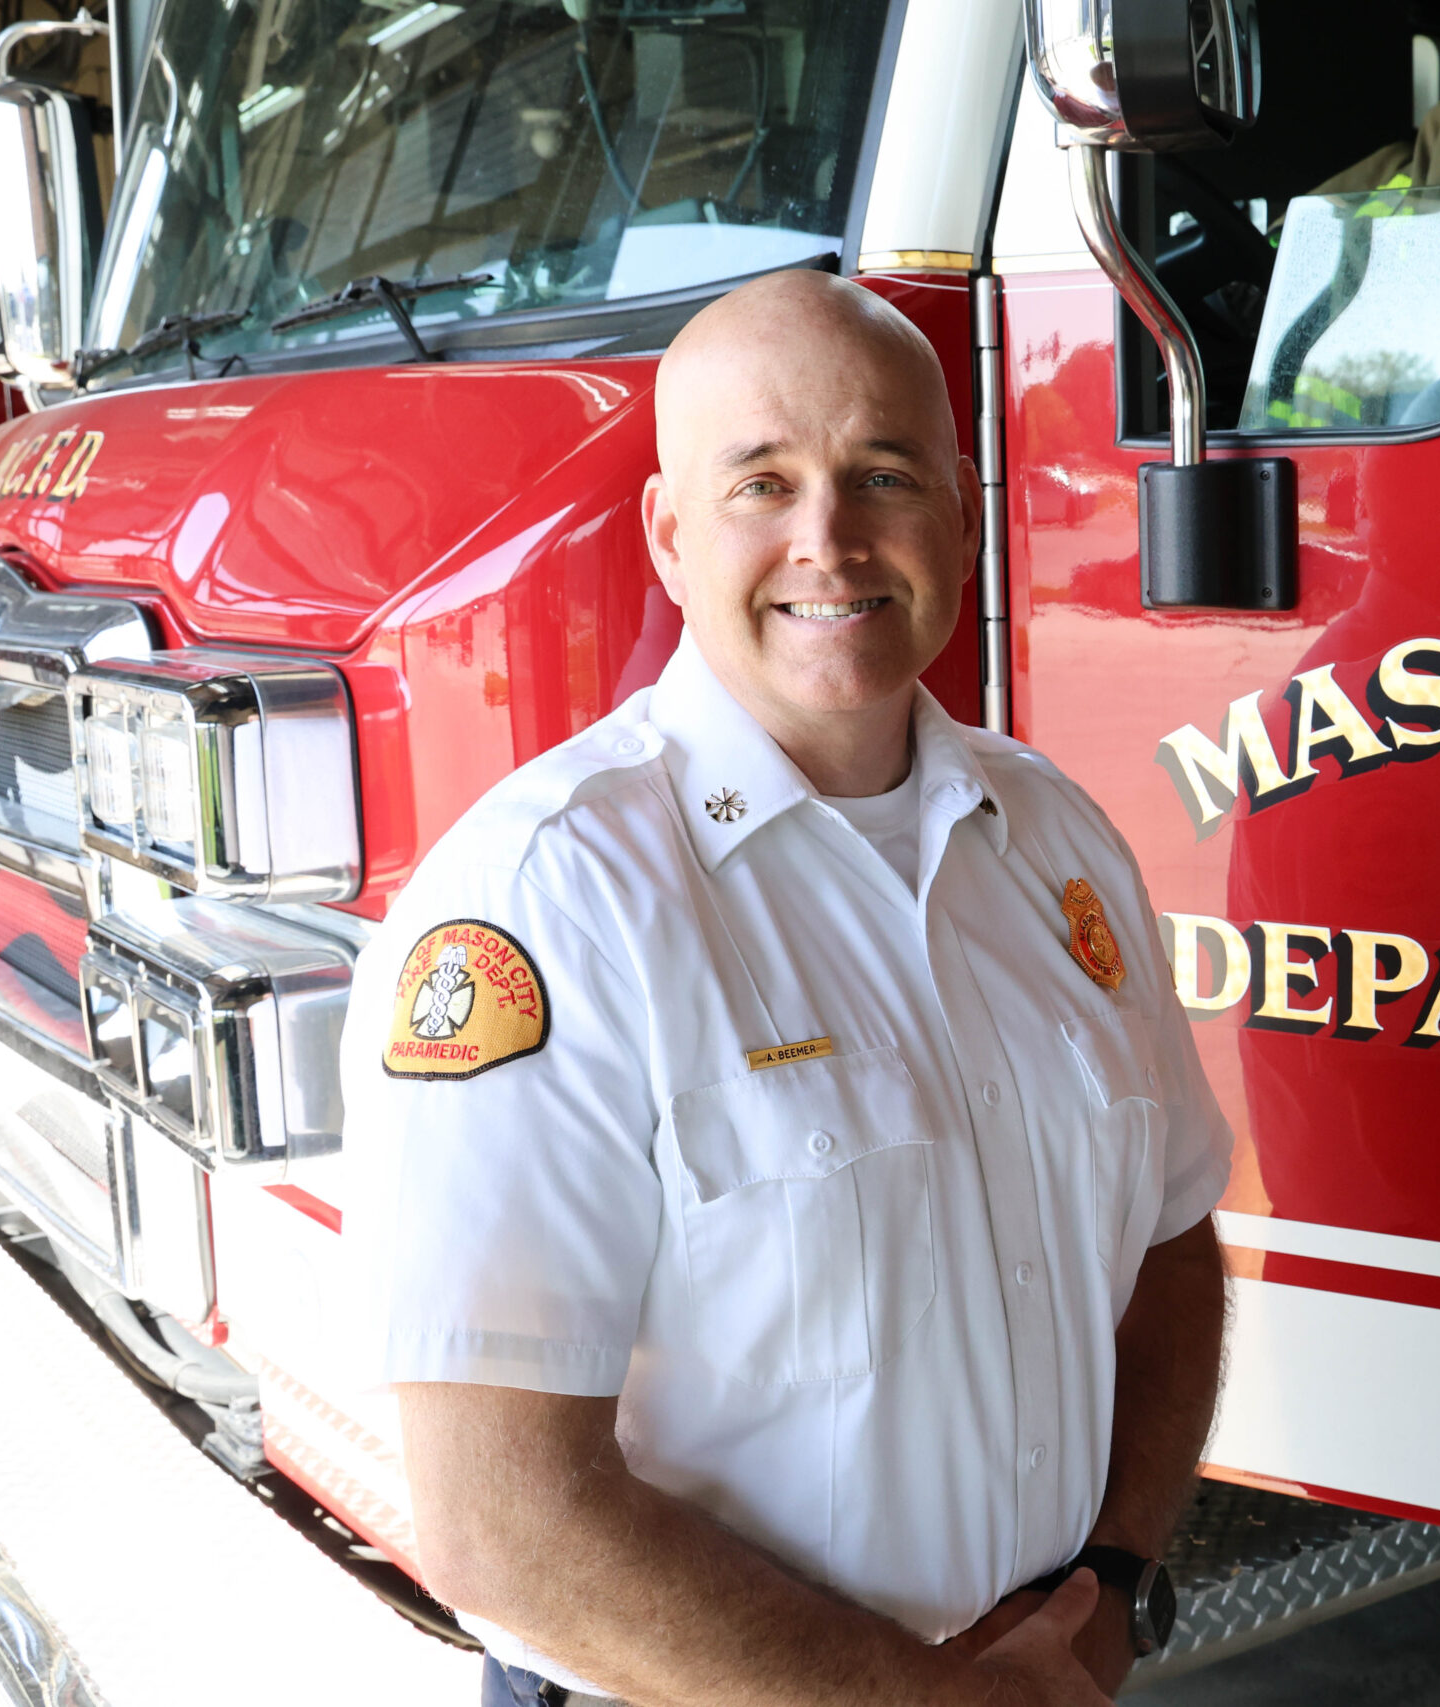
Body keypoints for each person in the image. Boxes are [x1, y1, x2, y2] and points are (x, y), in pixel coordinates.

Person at [340, 270, 1234, 1706]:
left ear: (962, 510)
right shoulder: (549, 902)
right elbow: (502, 1522)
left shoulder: (1055, 838)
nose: (830, 538)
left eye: (884, 472)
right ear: (670, 535)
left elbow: (1175, 1243)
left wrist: (1114, 1580)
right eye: (761, 483)